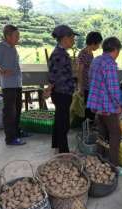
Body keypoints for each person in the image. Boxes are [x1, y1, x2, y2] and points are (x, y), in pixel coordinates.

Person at [87, 37, 122, 172]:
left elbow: (91, 79)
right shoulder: (110, 64)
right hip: (108, 106)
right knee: (115, 133)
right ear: (115, 50)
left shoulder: (96, 60)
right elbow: (113, 88)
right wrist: (119, 104)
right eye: (118, 51)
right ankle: (113, 165)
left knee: (102, 132)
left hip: (97, 105)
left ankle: (100, 158)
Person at [0, 25, 27, 145]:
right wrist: (0, 72)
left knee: (17, 109)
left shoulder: (13, 47)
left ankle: (17, 132)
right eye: (16, 36)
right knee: (9, 112)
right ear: (8, 36)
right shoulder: (0, 47)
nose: (18, 38)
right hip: (8, 85)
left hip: (17, 83)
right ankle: (10, 138)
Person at [45, 25, 78, 153]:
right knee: (63, 122)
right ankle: (63, 151)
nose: (73, 41)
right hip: (62, 92)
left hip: (61, 92)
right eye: (72, 38)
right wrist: (49, 89)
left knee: (59, 119)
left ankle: (57, 145)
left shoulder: (61, 53)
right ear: (64, 38)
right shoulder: (60, 54)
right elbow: (54, 76)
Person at [77, 32, 103, 121]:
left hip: (90, 85)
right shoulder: (83, 53)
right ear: (94, 42)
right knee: (87, 109)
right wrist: (80, 87)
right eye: (98, 43)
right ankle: (87, 128)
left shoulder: (90, 53)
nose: (99, 46)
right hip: (85, 86)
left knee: (91, 108)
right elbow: (79, 71)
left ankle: (90, 126)